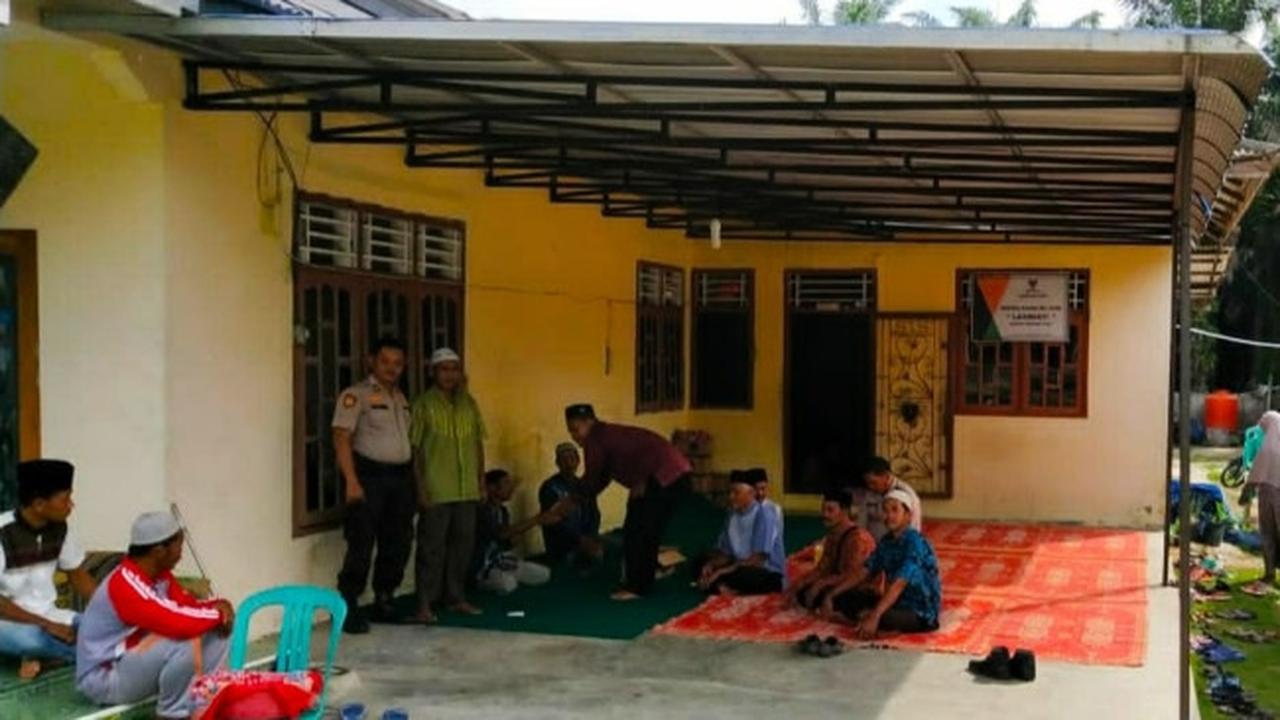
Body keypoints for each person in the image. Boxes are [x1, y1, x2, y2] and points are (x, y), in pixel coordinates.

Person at [76, 512, 234, 720]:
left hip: (132, 661)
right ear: (159, 551)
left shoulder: (159, 575)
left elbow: (185, 606)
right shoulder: (124, 583)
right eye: (179, 546)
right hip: (105, 677)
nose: (181, 554)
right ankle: (173, 715)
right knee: (184, 639)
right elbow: (176, 622)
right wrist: (217, 613)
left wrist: (218, 607)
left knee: (219, 629)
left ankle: (206, 704)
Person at [332, 336, 416, 634]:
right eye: (385, 362)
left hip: (399, 478)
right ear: (371, 361)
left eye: (398, 363)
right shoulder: (356, 395)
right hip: (369, 476)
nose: (391, 368)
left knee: (398, 540)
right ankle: (348, 605)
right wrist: (351, 481)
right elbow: (341, 438)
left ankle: (384, 598)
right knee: (362, 542)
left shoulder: (401, 398)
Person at [566, 404, 692, 600]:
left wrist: (573, 498)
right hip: (677, 474)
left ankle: (637, 586)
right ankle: (646, 576)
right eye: (570, 431)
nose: (574, 436)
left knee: (638, 530)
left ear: (589, 422)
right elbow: (602, 477)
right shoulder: (607, 434)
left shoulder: (596, 439)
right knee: (644, 529)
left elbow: (593, 477)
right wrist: (581, 497)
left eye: (576, 429)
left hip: (663, 477)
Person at [0, 460, 97, 679]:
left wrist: (111, 614)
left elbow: (78, 576)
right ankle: (87, 656)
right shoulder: (2, 532)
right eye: (65, 499)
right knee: (32, 639)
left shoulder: (61, 529)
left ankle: (48, 657)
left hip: (49, 615)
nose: (71, 505)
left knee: (98, 628)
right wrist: (46, 625)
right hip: (9, 623)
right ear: (39, 504)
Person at [411, 347, 487, 622]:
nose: (450, 375)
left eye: (454, 369)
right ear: (433, 372)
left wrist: (481, 481)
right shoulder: (423, 404)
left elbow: (477, 444)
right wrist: (420, 488)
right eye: (444, 369)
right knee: (431, 548)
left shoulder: (469, 404)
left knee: (462, 546)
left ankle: (456, 597)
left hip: (466, 489)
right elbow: (415, 450)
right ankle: (424, 604)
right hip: (437, 489)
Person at [821, 489, 941, 638]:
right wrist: (831, 595)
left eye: (894, 510)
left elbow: (899, 584)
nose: (889, 515)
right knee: (844, 597)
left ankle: (867, 621)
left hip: (919, 611)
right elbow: (864, 571)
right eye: (885, 510)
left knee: (880, 617)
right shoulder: (886, 541)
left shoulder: (914, 543)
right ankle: (866, 619)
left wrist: (874, 615)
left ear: (908, 515)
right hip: (894, 603)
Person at [475, 469, 567, 594]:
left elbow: (507, 542)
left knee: (543, 574)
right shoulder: (482, 510)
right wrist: (537, 520)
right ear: (491, 488)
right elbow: (501, 534)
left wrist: (515, 538)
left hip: (500, 561)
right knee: (508, 584)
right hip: (482, 565)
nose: (510, 488)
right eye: (506, 483)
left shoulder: (502, 511)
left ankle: (504, 575)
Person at [694, 471, 787, 596]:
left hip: (764, 571)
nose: (731, 497)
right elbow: (726, 554)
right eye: (730, 492)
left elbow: (758, 561)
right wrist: (711, 564)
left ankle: (720, 585)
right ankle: (722, 586)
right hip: (738, 565)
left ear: (751, 493)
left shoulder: (764, 515)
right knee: (700, 562)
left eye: (736, 493)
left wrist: (721, 572)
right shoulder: (731, 515)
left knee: (745, 575)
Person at [784, 488, 875, 614]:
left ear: (844, 511)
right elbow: (823, 568)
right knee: (803, 590)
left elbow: (854, 576)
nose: (825, 514)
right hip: (838, 583)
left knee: (840, 599)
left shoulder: (858, 538)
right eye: (823, 509)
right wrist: (801, 583)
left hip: (858, 588)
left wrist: (822, 584)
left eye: (830, 510)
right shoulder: (832, 536)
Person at [538, 443, 603, 568]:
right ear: (557, 463)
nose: (568, 463)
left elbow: (594, 514)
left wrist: (591, 537)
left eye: (572, 458)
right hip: (562, 546)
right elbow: (553, 522)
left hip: (585, 539)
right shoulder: (550, 487)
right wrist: (579, 540)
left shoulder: (584, 486)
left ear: (578, 461)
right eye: (564, 459)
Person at [852, 456, 922, 540]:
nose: (870, 487)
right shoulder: (868, 492)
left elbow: (913, 527)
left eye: (873, 483)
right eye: (868, 483)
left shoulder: (907, 494)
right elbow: (862, 521)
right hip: (872, 544)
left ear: (886, 476)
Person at [1248, 411, 1280, 587]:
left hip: (1267, 494)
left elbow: (1255, 473)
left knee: (1268, 533)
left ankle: (1269, 573)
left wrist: (1248, 489)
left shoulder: (1267, 447)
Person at [749, 467, 783, 548]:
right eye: (756, 489)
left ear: (767, 487)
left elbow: (778, 539)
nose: (760, 493)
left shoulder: (776, 510)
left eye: (763, 488)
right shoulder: (742, 511)